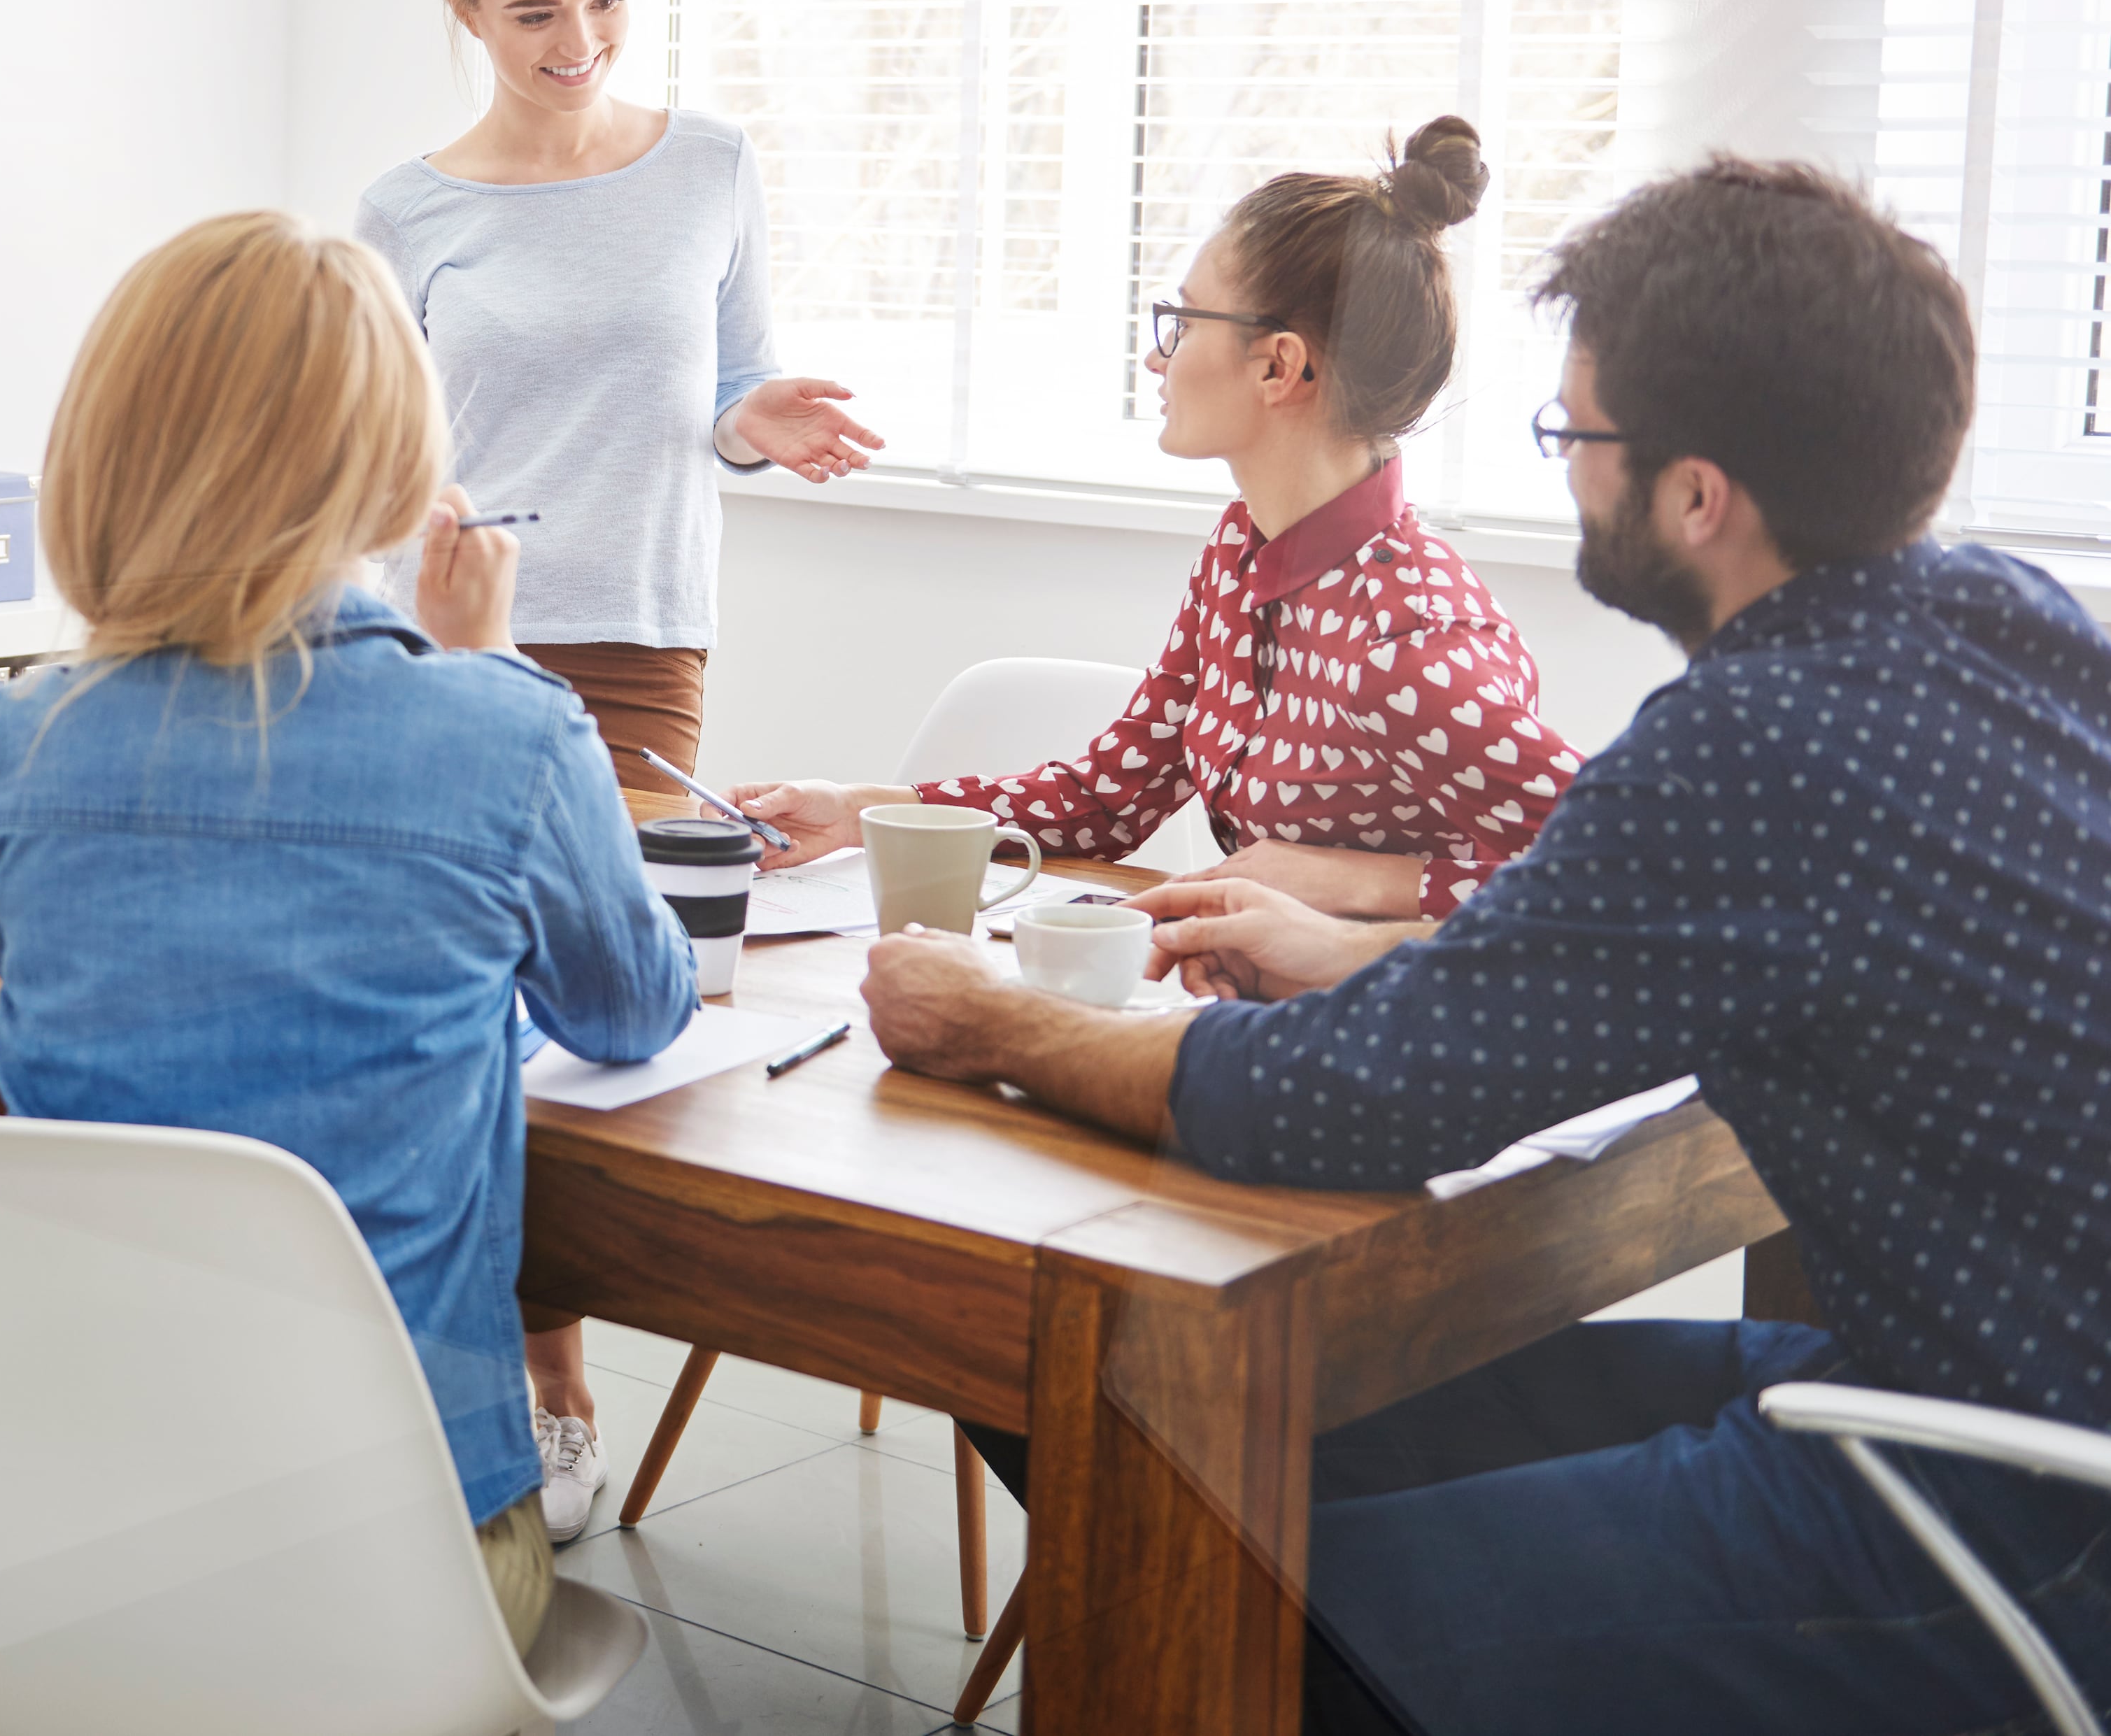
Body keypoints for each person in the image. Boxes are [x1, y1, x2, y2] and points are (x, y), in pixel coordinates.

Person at [858, 157, 2111, 1734]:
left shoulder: (1743, 746)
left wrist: (991, 1022)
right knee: (1219, 1428)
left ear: (1695, 495)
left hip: (2013, 1508)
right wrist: (1379, 955)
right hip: (1994, 1386)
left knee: (1191, 1574)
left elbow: (1337, 1106)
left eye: (1574, 436)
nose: (1564, 467)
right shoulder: (2012, 614)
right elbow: (1617, 959)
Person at [0, 211, 697, 1593]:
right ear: (388, 464)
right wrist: (488, 671)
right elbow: (635, 1009)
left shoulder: (20, 737)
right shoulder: (506, 732)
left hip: (70, 1539)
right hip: (395, 1560)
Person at [358, 0, 878, 1490]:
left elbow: (721, 389)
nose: (573, 39)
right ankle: (531, 1386)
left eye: (601, 2)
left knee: (602, 1006)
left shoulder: (710, 165)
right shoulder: (407, 210)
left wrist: (755, 419)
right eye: (531, 12)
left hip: (645, 637)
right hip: (455, 627)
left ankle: (550, 1380)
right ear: (462, 11)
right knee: (471, 1006)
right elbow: (376, 445)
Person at [734, 117, 1584, 924]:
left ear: (1278, 365)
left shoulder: (1409, 637)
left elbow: (1632, 874)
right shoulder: (1241, 551)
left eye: (1180, 322)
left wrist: (1358, 877)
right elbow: (1111, 793)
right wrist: (860, 811)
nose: (1154, 354)